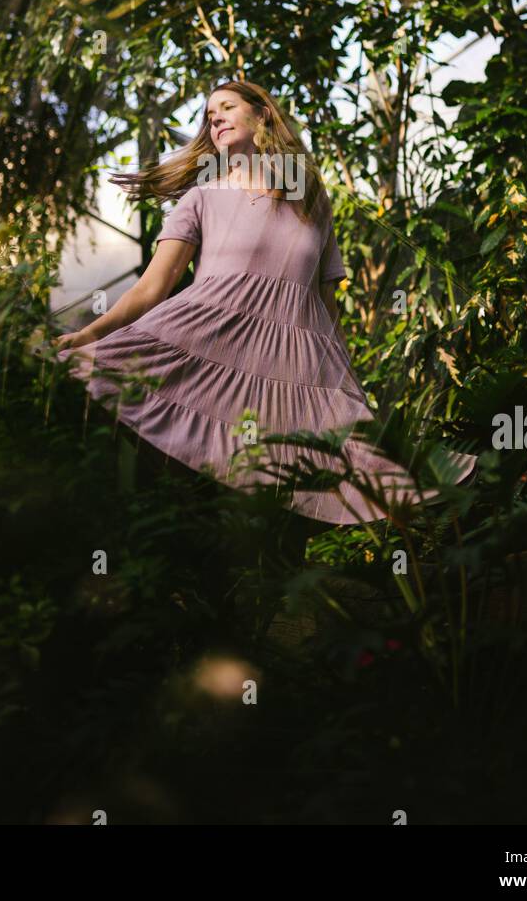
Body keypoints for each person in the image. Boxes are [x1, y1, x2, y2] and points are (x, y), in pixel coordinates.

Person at [55, 79, 476, 549]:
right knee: (188, 485)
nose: (214, 117)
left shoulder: (311, 201)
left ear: (263, 116)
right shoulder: (201, 199)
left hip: (294, 364)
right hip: (207, 345)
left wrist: (345, 379)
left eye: (227, 107)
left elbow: (324, 304)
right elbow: (154, 287)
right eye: (208, 113)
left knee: (361, 469)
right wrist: (89, 334)